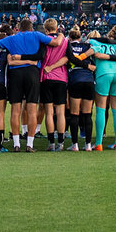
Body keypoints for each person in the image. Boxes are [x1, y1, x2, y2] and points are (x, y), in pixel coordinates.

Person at [0, 18, 55, 152]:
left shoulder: (12, 39)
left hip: (15, 75)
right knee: (32, 110)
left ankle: (16, 144)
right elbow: (55, 42)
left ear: (18, 28)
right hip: (32, 74)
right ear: (31, 28)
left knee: (15, 111)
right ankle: (30, 144)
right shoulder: (37, 35)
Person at [87, 27, 116, 151]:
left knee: (101, 109)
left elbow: (92, 52)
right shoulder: (112, 46)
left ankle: (98, 143)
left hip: (103, 73)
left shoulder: (93, 42)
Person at [38, 18, 70, 151]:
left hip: (46, 78)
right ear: (56, 28)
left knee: (49, 112)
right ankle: (61, 143)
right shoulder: (65, 40)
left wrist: (49, 67)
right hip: (61, 78)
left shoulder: (44, 41)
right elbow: (68, 57)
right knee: (61, 112)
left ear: (45, 29)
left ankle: (51, 143)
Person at [65, 28, 97, 151]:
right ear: (80, 37)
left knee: (74, 114)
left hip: (75, 80)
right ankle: (88, 145)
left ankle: (75, 145)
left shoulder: (67, 47)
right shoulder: (88, 46)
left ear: (70, 37)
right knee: (87, 114)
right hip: (89, 80)